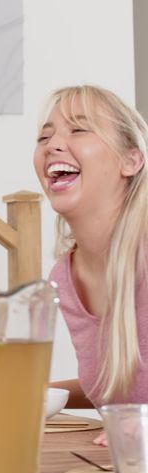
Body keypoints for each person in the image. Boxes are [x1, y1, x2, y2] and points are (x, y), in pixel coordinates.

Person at [36, 85, 148, 446]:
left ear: (130, 160)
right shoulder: (65, 278)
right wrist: (30, 393)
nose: (53, 144)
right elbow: (121, 386)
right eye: (44, 135)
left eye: (79, 129)